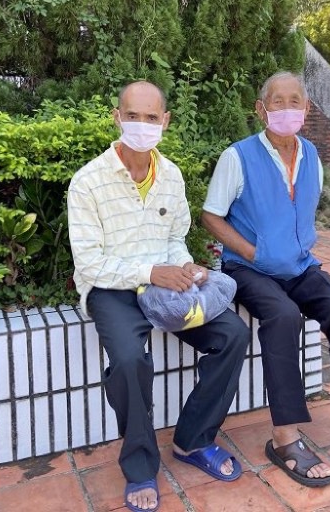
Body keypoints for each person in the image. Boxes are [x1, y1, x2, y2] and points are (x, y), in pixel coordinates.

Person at [201, 71, 330, 488]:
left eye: (295, 102)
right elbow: (211, 216)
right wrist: (252, 252)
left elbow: (302, 210)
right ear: (261, 109)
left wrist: (294, 247)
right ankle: (284, 437)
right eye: (277, 101)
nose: (286, 109)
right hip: (248, 269)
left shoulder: (312, 156)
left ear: (307, 109)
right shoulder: (238, 156)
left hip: (300, 265)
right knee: (284, 316)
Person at [68, 81, 250, 512]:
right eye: (133, 115)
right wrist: (150, 272)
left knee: (233, 334)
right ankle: (140, 466)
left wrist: (186, 266)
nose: (142, 125)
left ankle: (193, 440)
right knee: (130, 360)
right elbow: (90, 264)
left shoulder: (170, 175)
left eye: (151, 117)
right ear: (117, 116)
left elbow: (174, 239)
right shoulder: (88, 181)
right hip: (112, 290)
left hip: (166, 286)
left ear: (165, 121)